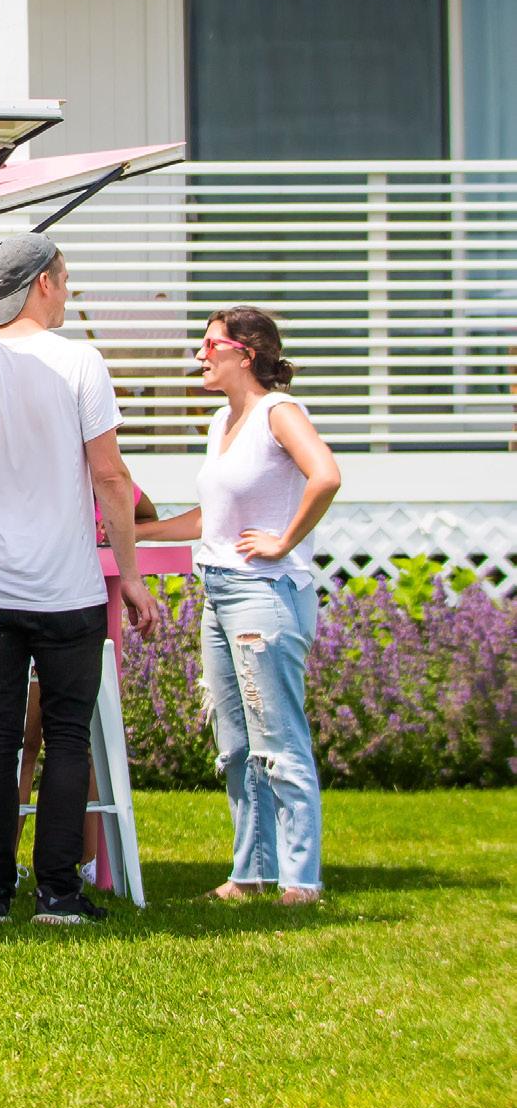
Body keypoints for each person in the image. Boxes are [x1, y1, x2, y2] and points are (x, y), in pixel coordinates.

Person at [0, 232, 161, 927]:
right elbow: (111, 476)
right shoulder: (79, 361)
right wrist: (131, 576)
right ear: (43, 281)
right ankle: (57, 893)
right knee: (68, 735)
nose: (68, 291)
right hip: (67, 588)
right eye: (66, 278)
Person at [137, 307, 340, 907]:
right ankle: (249, 874)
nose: (200, 356)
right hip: (219, 593)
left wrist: (283, 541)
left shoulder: (279, 412)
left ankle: (301, 882)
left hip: (265, 594)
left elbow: (326, 475)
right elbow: (213, 518)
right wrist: (137, 533)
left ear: (244, 354)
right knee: (235, 746)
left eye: (210, 345)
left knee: (278, 739)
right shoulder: (223, 421)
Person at [0, 477, 158, 884]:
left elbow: (139, 509)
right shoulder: (12, 475)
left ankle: (26, 877)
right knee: (43, 742)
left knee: (43, 741)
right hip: (50, 604)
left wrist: (110, 539)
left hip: (32, 603)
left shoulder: (83, 478)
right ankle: (39, 879)